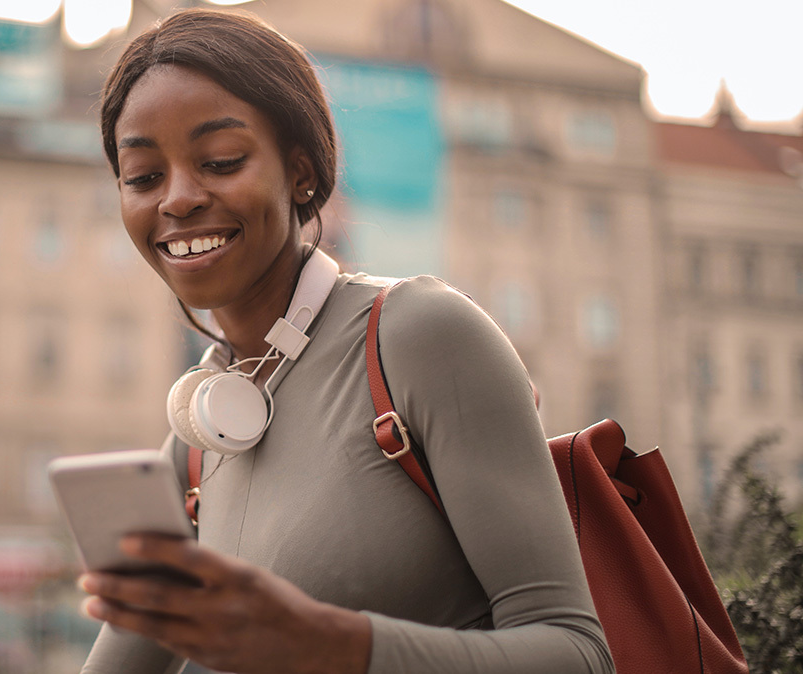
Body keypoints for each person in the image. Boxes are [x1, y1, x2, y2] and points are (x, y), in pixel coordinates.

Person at [77, 8, 615, 674]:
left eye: (220, 161)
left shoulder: (422, 337)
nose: (178, 199)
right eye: (143, 176)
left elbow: (578, 652)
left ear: (302, 171)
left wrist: (329, 644)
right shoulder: (191, 448)